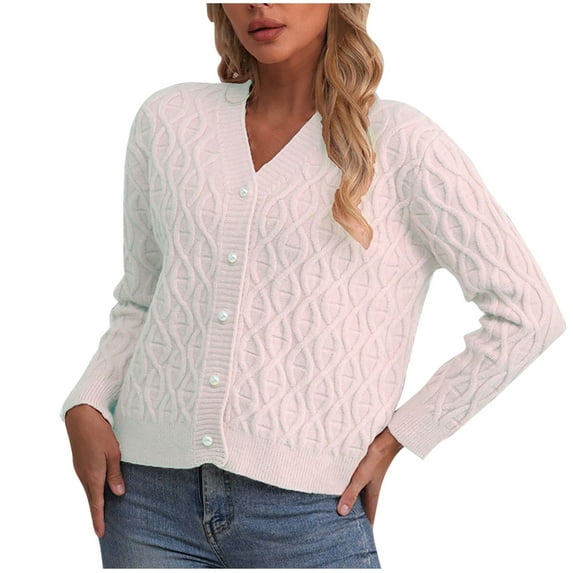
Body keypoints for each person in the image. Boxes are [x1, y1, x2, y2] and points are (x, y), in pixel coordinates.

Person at [62, 3, 565, 569]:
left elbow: (528, 313)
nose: (259, 4)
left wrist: (402, 435)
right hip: (145, 500)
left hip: (308, 514)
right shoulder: (170, 120)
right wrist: (87, 399)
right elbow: (144, 294)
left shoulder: (402, 142)